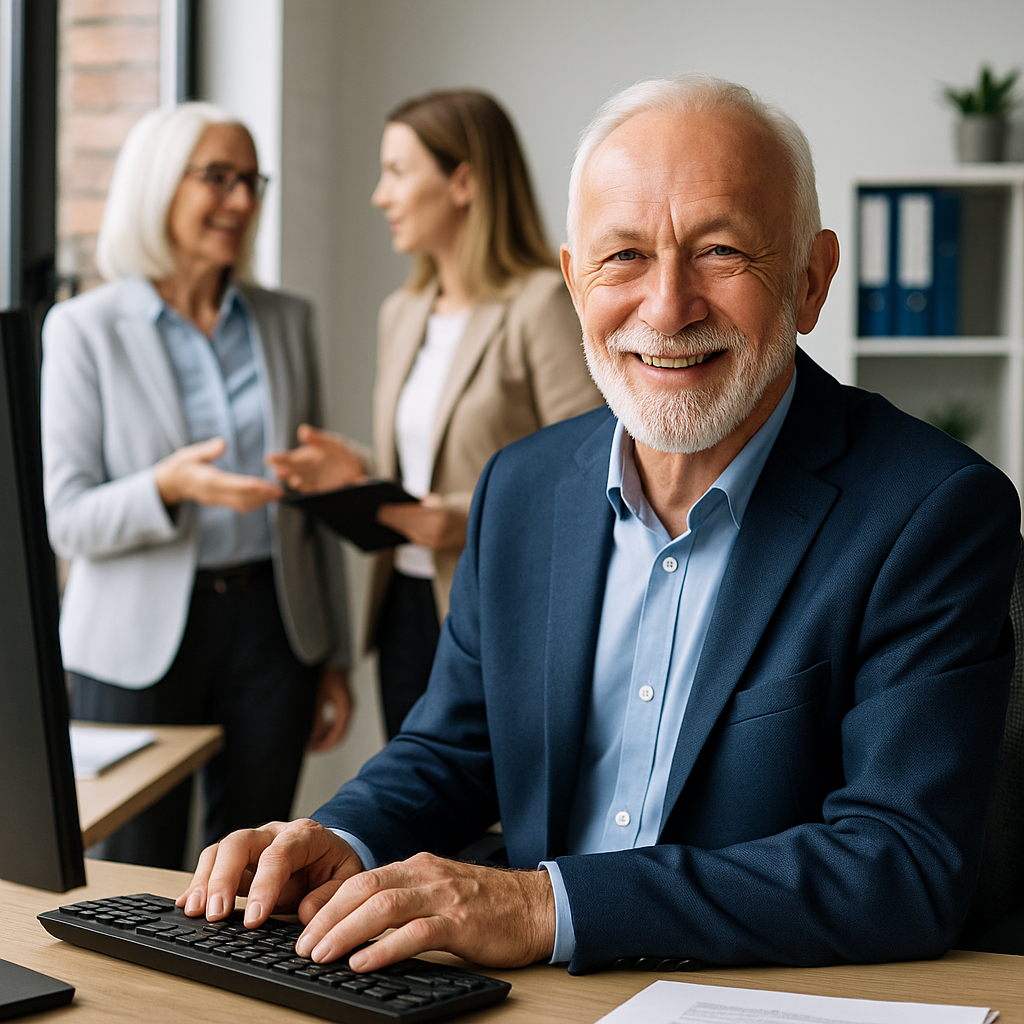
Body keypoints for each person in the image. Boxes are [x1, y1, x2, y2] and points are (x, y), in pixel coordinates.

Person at [179, 75, 1020, 974]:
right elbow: (455, 742)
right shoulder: (523, 486)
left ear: (811, 281)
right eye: (624, 257)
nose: (667, 308)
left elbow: (901, 865)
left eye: (722, 251)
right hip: (529, 996)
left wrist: (548, 905)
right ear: (576, 281)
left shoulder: (933, 510)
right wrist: (341, 833)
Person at [41, 103, 353, 870]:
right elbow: (66, 517)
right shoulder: (83, 328)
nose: (243, 201)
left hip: (274, 632)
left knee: (254, 875)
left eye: (251, 180)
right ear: (157, 185)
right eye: (218, 177)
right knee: (125, 869)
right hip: (134, 644)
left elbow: (315, 504)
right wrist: (166, 486)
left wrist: (335, 655)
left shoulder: (287, 320)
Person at [266, 90, 602, 739]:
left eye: (396, 171)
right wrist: (359, 472)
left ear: (463, 181)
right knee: (414, 800)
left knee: (491, 823)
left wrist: (466, 518)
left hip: (500, 610)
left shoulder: (539, 305)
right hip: (404, 605)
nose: (379, 196)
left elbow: (592, 466)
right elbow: (435, 459)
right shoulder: (403, 312)